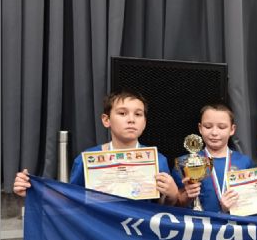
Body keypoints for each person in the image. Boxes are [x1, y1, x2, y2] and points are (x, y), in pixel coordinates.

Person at [13, 88, 178, 205]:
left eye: (138, 114)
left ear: (144, 122)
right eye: (122, 113)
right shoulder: (87, 160)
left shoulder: (158, 160)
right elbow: (71, 200)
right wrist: (33, 191)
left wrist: (173, 195)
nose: (131, 120)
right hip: (100, 237)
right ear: (106, 120)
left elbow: (163, 210)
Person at [174, 104, 254, 213]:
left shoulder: (245, 162)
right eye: (208, 127)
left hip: (234, 223)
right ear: (200, 128)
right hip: (196, 223)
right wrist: (184, 198)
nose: (214, 133)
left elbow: (252, 204)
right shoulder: (183, 163)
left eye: (221, 127)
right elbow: (172, 206)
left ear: (232, 129)